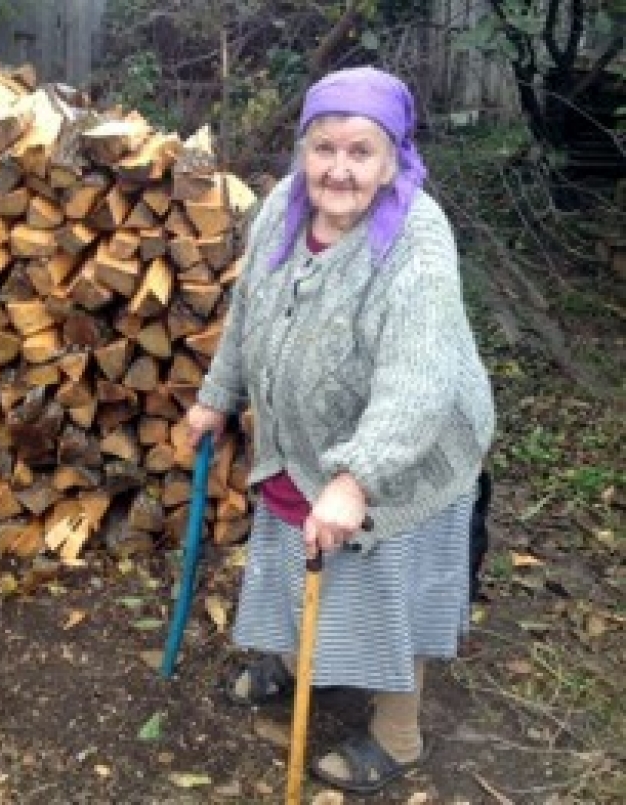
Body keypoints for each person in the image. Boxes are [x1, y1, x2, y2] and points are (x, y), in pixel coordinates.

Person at [186, 66, 495, 795]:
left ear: (392, 159)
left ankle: (399, 733)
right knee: (300, 559)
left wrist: (358, 479)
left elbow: (419, 381)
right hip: (303, 444)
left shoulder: (417, 242)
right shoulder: (281, 210)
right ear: (303, 150)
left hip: (408, 460)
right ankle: (303, 662)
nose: (339, 169)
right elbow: (249, 312)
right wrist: (217, 394)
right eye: (324, 148)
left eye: (361, 152)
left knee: (388, 588)